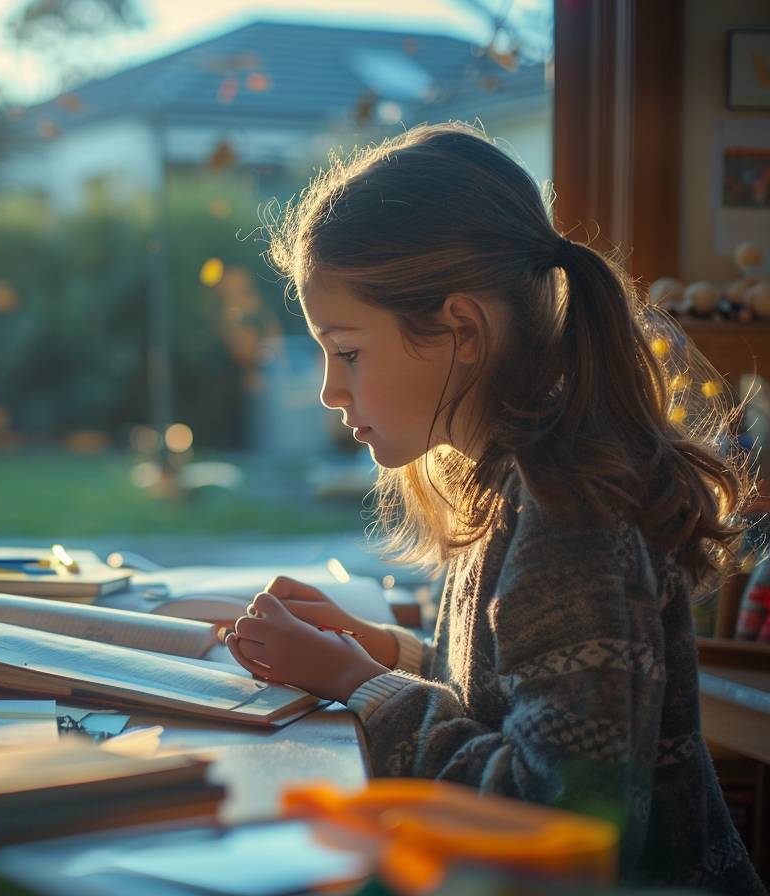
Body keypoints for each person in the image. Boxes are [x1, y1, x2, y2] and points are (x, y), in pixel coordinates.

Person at [224, 122, 765, 895]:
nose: (329, 391)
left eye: (346, 351)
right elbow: (509, 701)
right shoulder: (516, 480)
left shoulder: (570, 518)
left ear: (462, 331)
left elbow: (560, 816)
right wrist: (386, 653)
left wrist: (359, 686)